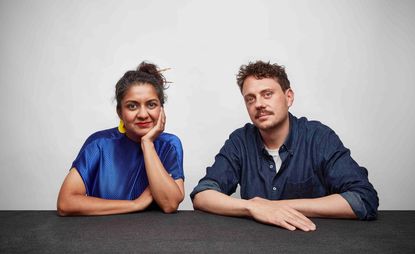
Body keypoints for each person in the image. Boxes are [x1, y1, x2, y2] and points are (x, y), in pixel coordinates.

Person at [191, 60, 378, 231]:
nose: (259, 104)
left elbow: (363, 198)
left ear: (288, 97)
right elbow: (203, 194)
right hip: (255, 245)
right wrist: (253, 206)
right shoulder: (240, 141)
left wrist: (278, 208)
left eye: (267, 94)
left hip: (315, 243)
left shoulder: (318, 137)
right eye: (250, 98)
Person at [57, 62, 185, 216]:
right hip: (103, 234)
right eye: (132, 106)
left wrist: (147, 144)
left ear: (161, 109)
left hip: (155, 237)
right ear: (120, 112)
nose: (143, 114)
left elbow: (170, 204)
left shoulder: (169, 145)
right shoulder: (99, 144)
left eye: (151, 105)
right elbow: (65, 203)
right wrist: (135, 204)